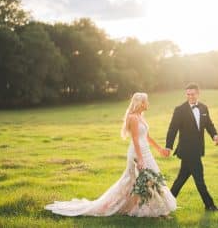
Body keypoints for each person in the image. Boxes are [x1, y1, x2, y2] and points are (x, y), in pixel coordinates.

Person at [44, 92, 177, 217]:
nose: (148, 103)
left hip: (146, 151)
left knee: (147, 180)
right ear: (141, 103)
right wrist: (140, 159)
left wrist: (159, 149)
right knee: (139, 180)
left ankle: (143, 208)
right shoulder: (133, 118)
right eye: (146, 101)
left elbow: (146, 136)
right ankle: (132, 208)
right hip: (137, 153)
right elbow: (135, 139)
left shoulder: (140, 117)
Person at [163, 83, 218, 211]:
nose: (190, 96)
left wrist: (215, 136)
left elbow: (209, 125)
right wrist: (168, 146)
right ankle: (209, 205)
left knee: (181, 178)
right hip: (187, 151)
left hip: (197, 149)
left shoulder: (204, 108)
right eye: (188, 94)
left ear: (198, 94)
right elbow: (172, 129)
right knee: (199, 178)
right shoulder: (180, 110)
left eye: (192, 94)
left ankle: (167, 203)